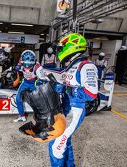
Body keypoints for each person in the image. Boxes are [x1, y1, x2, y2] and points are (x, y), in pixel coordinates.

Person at [49, 33, 98, 167]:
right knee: (66, 141)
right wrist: (60, 87)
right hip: (66, 107)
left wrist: (70, 89)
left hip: (74, 110)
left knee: (56, 146)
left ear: (73, 45)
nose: (62, 49)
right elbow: (69, 82)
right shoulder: (72, 65)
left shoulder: (86, 66)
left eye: (64, 46)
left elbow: (91, 93)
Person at [12, 50, 48, 123]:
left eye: (29, 65)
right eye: (25, 64)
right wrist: (16, 67)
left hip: (34, 83)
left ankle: (43, 116)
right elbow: (17, 69)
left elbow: (43, 79)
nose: (27, 67)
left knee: (39, 100)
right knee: (18, 98)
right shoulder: (21, 63)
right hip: (25, 82)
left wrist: (40, 84)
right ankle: (22, 116)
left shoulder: (38, 67)